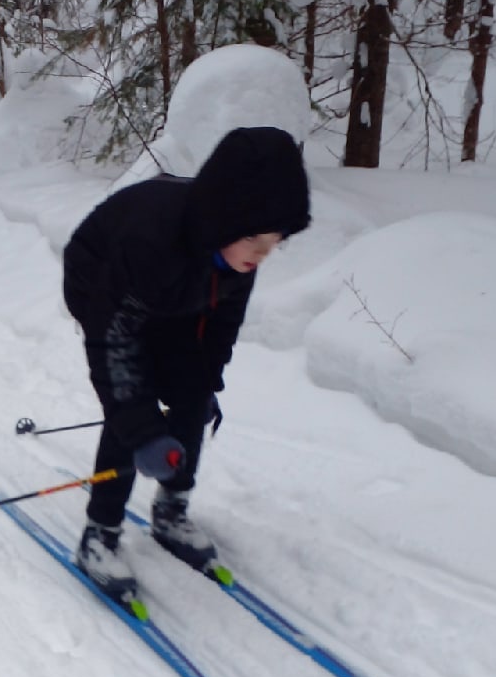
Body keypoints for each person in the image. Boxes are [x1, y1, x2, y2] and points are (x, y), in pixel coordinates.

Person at [62, 125, 311, 605]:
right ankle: (101, 531)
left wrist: (202, 386)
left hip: (178, 297)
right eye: (256, 237)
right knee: (133, 406)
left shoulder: (240, 260)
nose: (264, 253)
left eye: (276, 239)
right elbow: (115, 347)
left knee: (192, 395)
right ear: (224, 218)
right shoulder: (148, 243)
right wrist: (143, 428)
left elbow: (220, 329)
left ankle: (171, 509)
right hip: (102, 284)